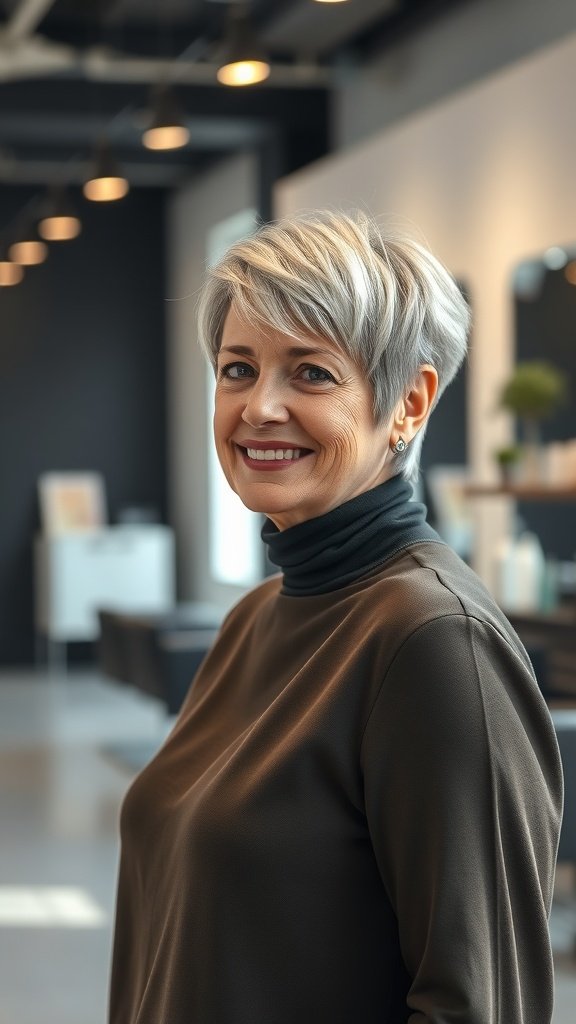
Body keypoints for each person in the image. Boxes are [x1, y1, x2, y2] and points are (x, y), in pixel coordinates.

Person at [109, 210, 563, 1023]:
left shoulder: (433, 640)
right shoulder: (255, 618)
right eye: (237, 368)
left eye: (311, 374)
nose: (259, 408)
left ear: (409, 402)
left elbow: (479, 1004)